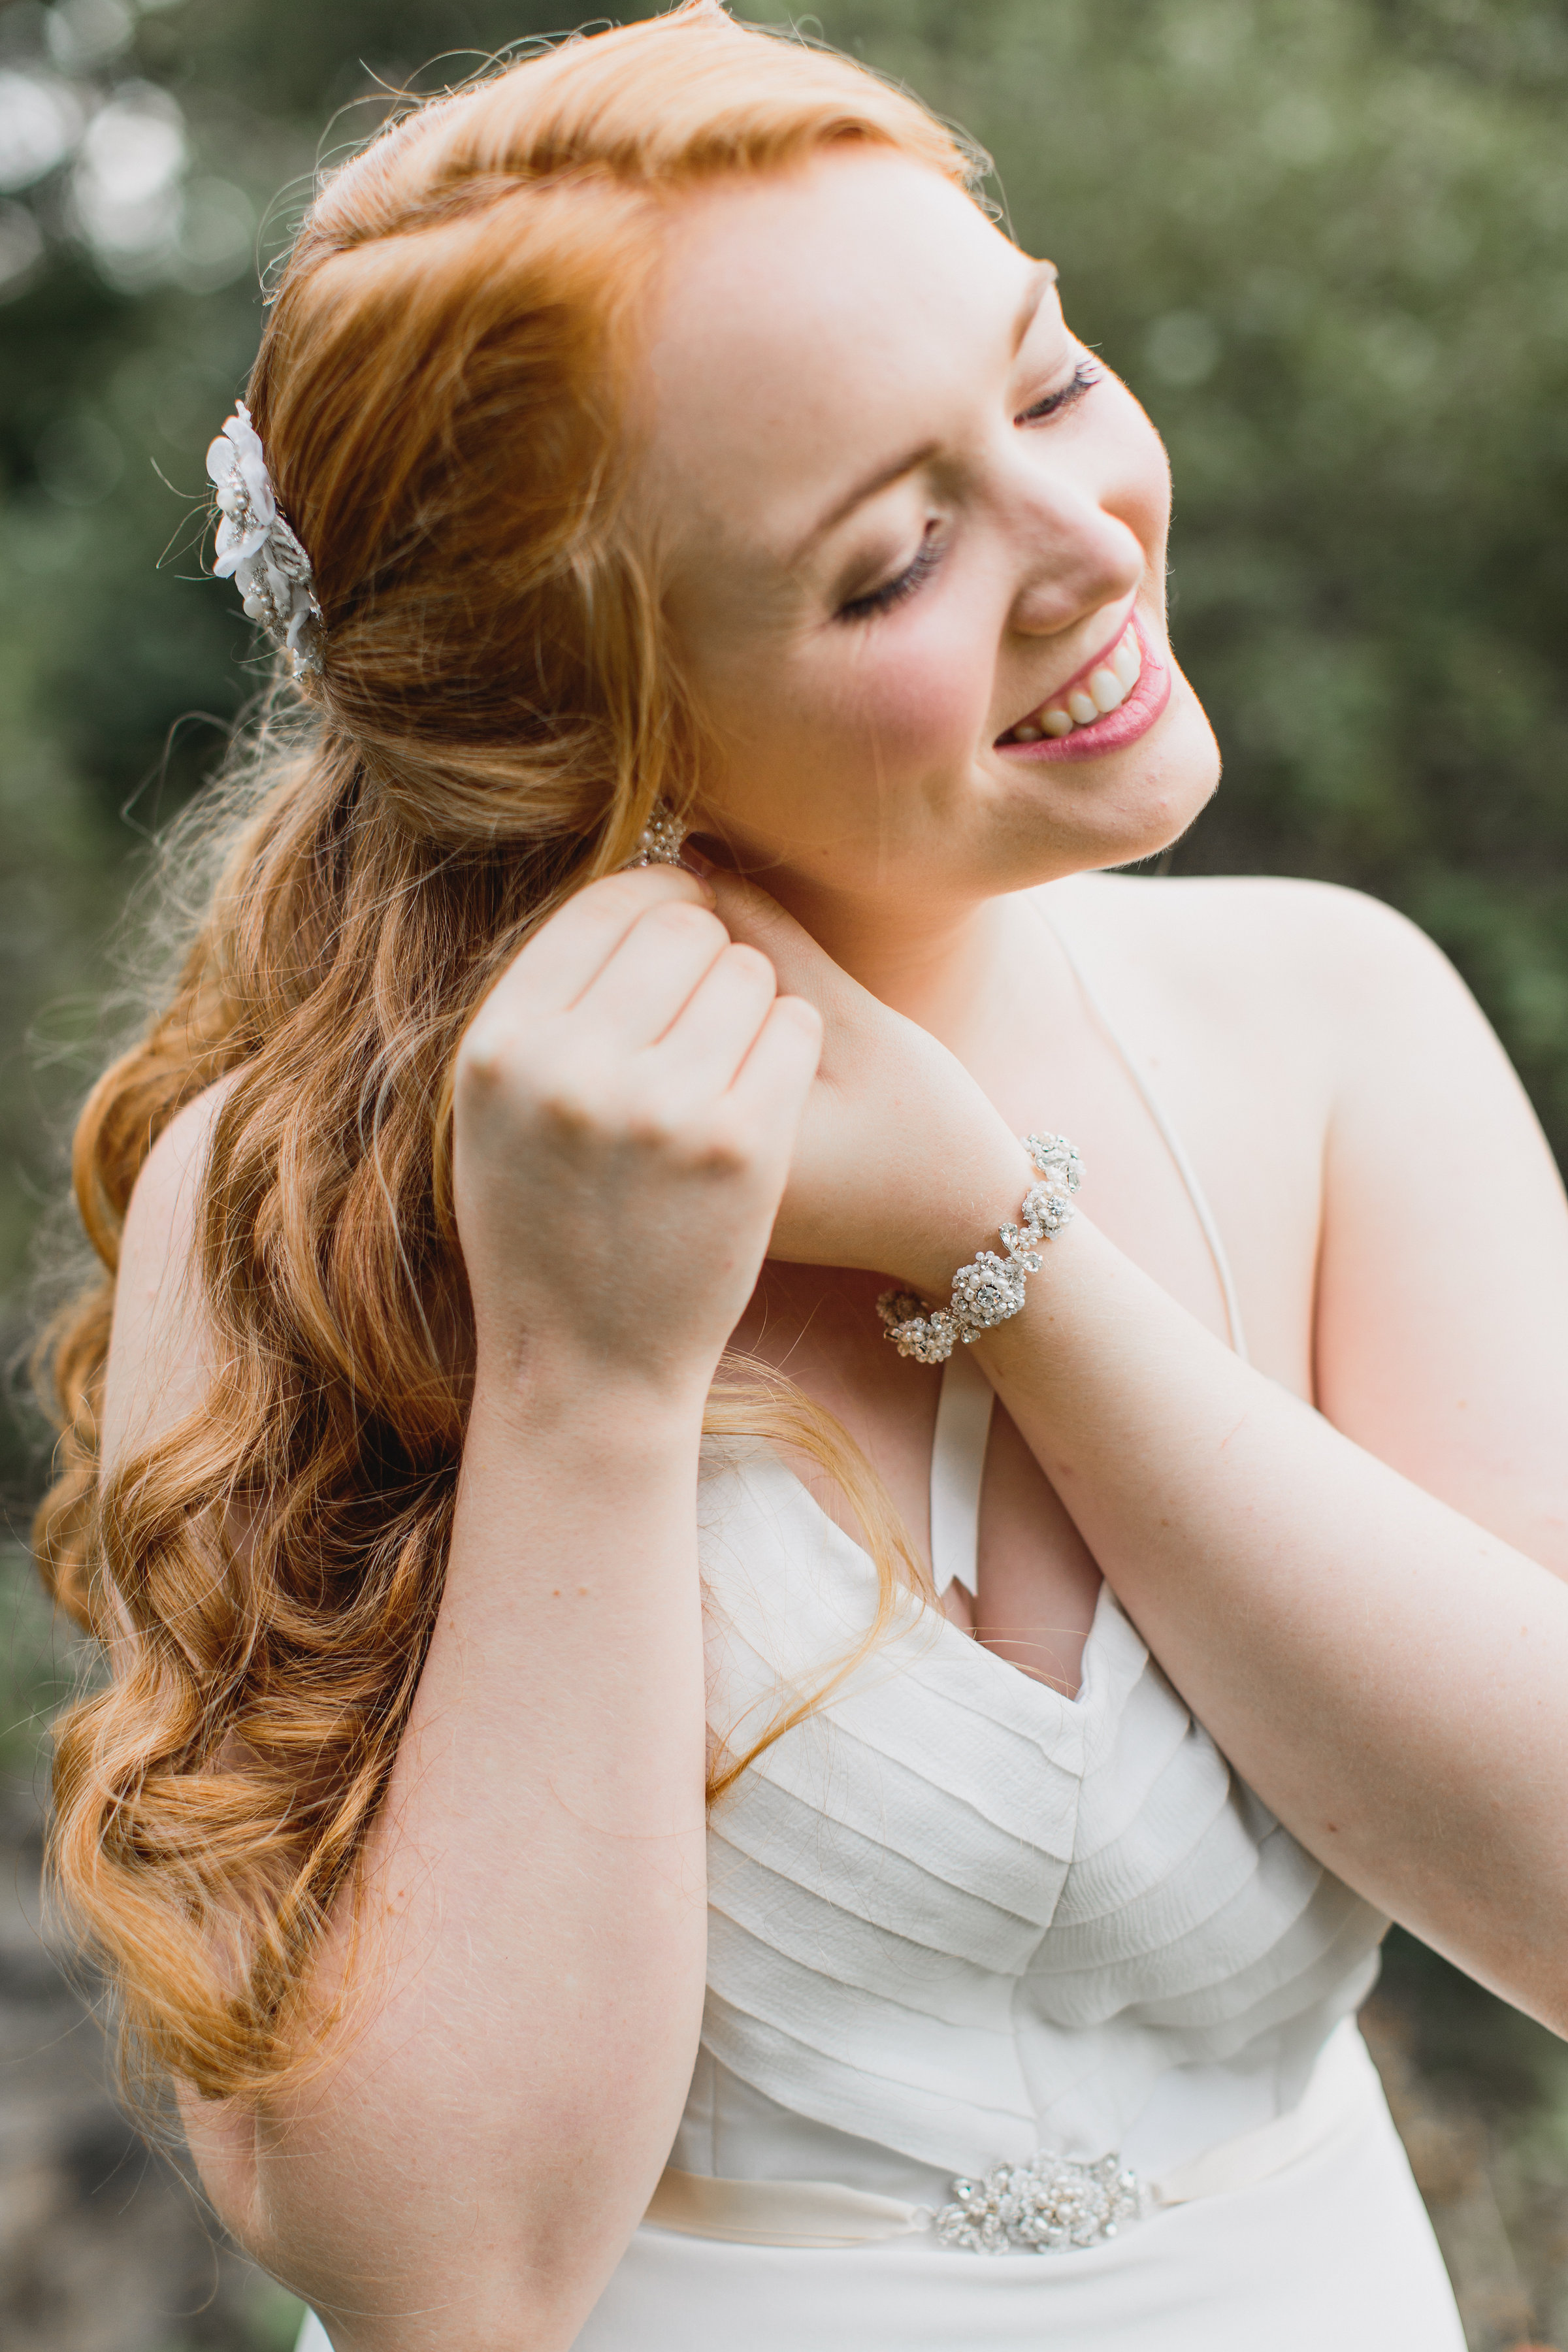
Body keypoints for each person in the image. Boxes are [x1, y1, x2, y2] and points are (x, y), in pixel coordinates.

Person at [34, 5, 1568, 2347]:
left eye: (1047, 382)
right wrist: (585, 1374)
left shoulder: (1334, 1022)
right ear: (583, 721)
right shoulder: (313, 1203)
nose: (1084, 546)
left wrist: (1003, 1255)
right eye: (890, 564)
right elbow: (447, 2272)